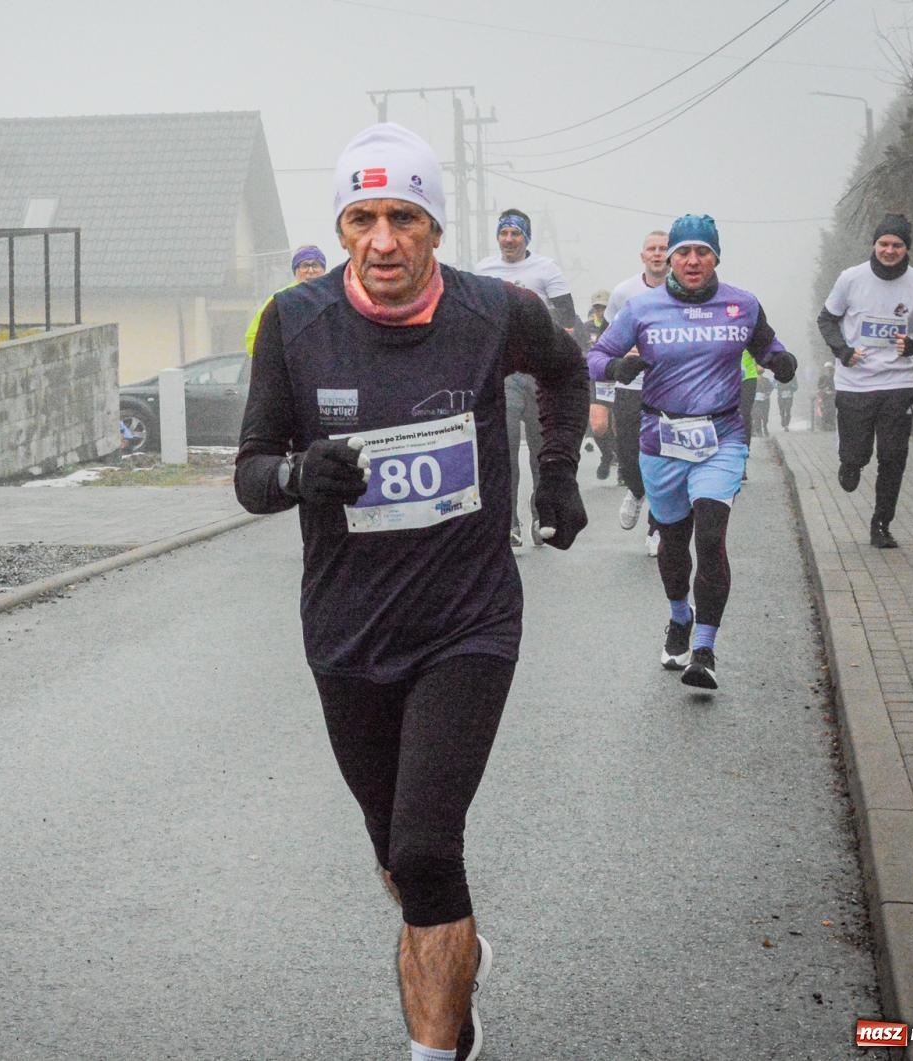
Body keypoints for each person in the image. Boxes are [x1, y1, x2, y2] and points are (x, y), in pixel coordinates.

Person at [236, 123, 588, 1061]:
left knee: (429, 848)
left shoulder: (495, 311)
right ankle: (454, 972)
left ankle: (433, 1050)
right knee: (401, 858)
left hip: (468, 621)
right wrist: (299, 474)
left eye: (404, 218)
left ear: (435, 227)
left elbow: (566, 367)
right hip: (348, 632)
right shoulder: (293, 322)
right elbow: (250, 470)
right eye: (363, 219)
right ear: (342, 229)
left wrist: (558, 472)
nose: (383, 240)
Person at [588, 214, 796, 691]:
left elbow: (769, 346)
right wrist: (616, 367)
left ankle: (704, 649)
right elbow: (595, 357)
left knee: (711, 536)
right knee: (674, 542)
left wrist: (781, 362)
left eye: (703, 251)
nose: (693, 260)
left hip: (722, 436)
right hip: (661, 438)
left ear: (716, 257)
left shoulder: (742, 305)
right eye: (683, 252)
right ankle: (679, 617)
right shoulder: (642, 308)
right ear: (671, 259)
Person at [816, 213, 913, 548]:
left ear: (907, 249)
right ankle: (850, 463)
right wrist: (843, 351)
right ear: (874, 244)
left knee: (893, 456)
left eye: (897, 245)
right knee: (857, 454)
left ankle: (881, 524)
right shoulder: (851, 278)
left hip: (898, 383)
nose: (890, 251)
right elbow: (827, 320)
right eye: (884, 244)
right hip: (855, 383)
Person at [474, 209, 581, 547]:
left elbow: (567, 320)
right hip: (503, 374)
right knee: (503, 450)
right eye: (503, 233)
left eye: (515, 234)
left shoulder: (546, 269)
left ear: (526, 238)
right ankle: (509, 523)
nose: (508, 240)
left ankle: (541, 516)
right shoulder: (483, 270)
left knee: (540, 449)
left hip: (537, 374)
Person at [605, 230, 671, 556]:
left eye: (663, 249)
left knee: (663, 457)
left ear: (672, 255)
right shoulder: (624, 292)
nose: (657, 254)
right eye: (652, 249)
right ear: (642, 256)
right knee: (628, 454)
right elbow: (610, 335)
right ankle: (636, 489)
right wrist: (623, 351)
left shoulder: (684, 292)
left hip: (669, 386)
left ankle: (656, 527)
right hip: (630, 385)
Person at [244, 245, 328, 357]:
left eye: (315, 265)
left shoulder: (333, 297)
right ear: (295, 270)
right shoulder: (279, 300)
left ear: (324, 270)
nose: (310, 271)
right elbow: (253, 337)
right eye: (305, 266)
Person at [585, 291, 617, 480]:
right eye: (597, 307)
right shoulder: (586, 328)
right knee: (598, 425)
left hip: (621, 379)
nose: (600, 311)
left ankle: (624, 468)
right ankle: (606, 455)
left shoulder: (621, 325)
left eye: (604, 307)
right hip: (597, 381)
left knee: (620, 426)